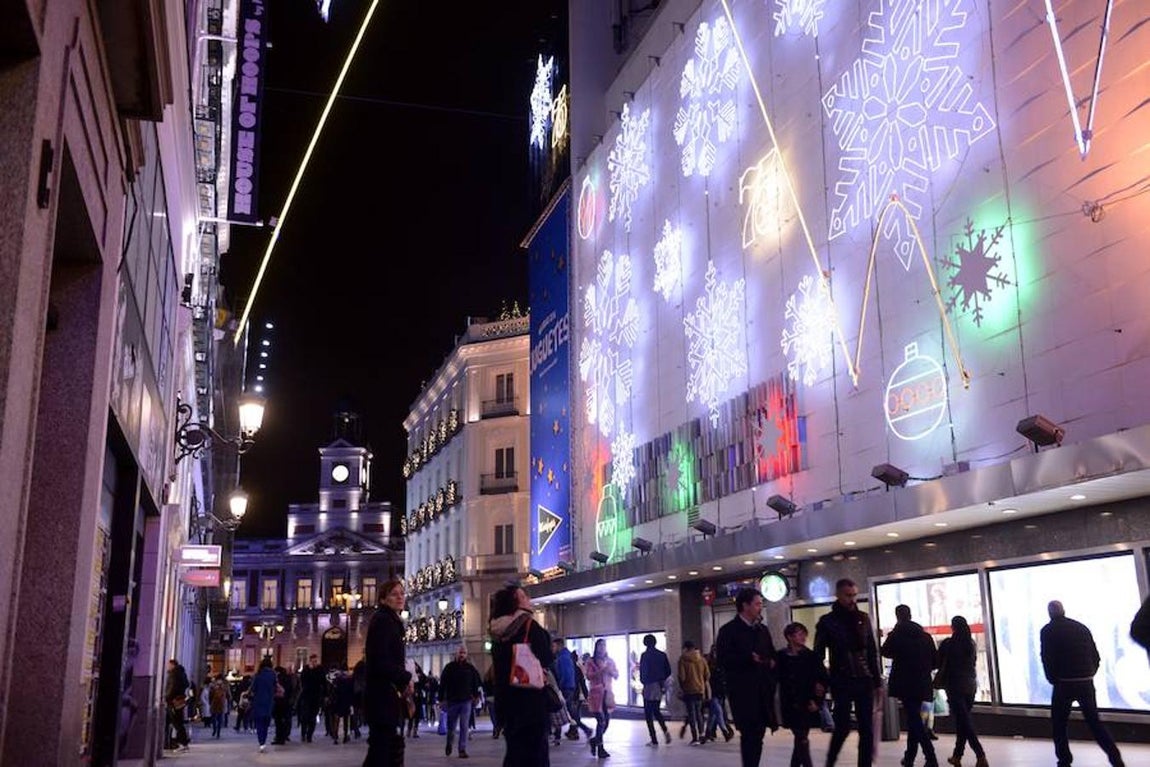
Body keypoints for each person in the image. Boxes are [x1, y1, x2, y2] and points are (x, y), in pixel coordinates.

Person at [1040, 600, 1125, 767]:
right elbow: (1095, 655)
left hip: (1063, 684)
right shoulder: (1081, 627)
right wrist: (1090, 673)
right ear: (1064, 610)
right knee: (1094, 723)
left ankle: (1064, 760)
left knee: (1059, 724)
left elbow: (1047, 657)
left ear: (1050, 613)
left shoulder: (1048, 630)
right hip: (1085, 682)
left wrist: (1052, 678)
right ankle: (1115, 757)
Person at [814, 578, 881, 767]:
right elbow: (818, 654)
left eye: (854, 595)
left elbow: (872, 652)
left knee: (866, 729)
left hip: (864, 679)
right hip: (841, 680)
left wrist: (876, 682)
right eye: (848, 595)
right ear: (838, 595)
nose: (852, 599)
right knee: (842, 727)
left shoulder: (863, 619)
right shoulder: (827, 622)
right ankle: (830, 761)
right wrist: (821, 680)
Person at [489, 583, 554, 767]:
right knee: (536, 754)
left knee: (514, 752)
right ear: (516, 603)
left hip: (507, 702)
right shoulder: (529, 626)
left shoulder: (496, 631)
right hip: (530, 701)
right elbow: (547, 657)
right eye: (524, 597)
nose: (529, 600)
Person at [716, 587, 778, 767]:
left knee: (758, 734)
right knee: (749, 734)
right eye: (757, 604)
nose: (760, 607)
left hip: (762, 690)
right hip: (743, 692)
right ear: (745, 606)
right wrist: (747, 658)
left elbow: (772, 654)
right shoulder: (728, 631)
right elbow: (723, 659)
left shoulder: (762, 630)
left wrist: (771, 663)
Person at [881, 605, 939, 767]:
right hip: (923, 683)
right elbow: (935, 662)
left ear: (897, 616)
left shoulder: (897, 635)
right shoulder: (925, 637)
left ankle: (931, 757)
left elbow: (885, 651)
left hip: (905, 684)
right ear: (911, 615)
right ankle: (909, 758)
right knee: (915, 720)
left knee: (914, 720)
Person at [363, 579, 413, 766]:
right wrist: (405, 678)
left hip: (385, 695)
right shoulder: (384, 621)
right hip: (381, 696)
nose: (400, 597)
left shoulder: (389, 621)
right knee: (380, 750)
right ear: (383, 599)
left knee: (380, 749)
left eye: (402, 593)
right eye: (394, 594)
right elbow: (380, 661)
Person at [935, 616, 988, 767]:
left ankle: (980, 755)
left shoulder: (948, 644)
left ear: (953, 627)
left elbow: (938, 662)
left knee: (964, 722)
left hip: (954, 686)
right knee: (962, 721)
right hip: (970, 686)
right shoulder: (970, 643)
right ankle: (957, 756)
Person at [777, 622, 829, 767]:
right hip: (789, 703)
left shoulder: (811, 656)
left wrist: (817, 700)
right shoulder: (781, 656)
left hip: (807, 702)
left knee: (801, 738)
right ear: (789, 637)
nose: (803, 637)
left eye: (803, 634)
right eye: (799, 634)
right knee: (801, 737)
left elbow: (822, 679)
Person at [440, 645, 482, 758]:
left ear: (466, 654)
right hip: (452, 701)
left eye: (464, 653)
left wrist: (476, 696)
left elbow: (476, 682)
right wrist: (441, 700)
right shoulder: (449, 668)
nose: (462, 655)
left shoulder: (470, 668)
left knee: (464, 726)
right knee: (451, 727)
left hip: (466, 702)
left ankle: (462, 749)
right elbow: (442, 684)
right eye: (460, 652)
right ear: (456, 653)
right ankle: (449, 743)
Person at [585, 638, 619, 759]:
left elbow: (616, 675)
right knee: (601, 721)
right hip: (596, 695)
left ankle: (594, 741)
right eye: (600, 645)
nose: (602, 648)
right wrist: (601, 671)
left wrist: (612, 672)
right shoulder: (591, 661)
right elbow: (588, 676)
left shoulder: (610, 661)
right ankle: (600, 748)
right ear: (596, 647)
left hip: (607, 695)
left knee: (606, 722)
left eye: (604, 645)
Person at [638, 634, 673, 746]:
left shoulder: (645, 655)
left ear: (645, 643)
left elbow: (643, 671)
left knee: (648, 714)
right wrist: (661, 680)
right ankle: (665, 730)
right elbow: (668, 670)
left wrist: (644, 682)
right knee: (657, 711)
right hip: (659, 685)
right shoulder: (662, 655)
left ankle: (654, 739)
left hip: (649, 685)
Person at [678, 640, 710, 745]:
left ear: (686, 648)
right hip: (700, 690)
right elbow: (707, 675)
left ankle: (694, 737)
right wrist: (701, 682)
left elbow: (682, 677)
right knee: (699, 713)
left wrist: (683, 686)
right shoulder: (702, 659)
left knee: (692, 715)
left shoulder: (683, 659)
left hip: (689, 690)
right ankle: (701, 734)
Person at [704, 645, 735, 743]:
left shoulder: (722, 662)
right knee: (718, 711)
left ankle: (708, 733)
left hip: (721, 690)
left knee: (713, 713)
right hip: (712, 690)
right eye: (713, 651)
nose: (715, 653)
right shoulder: (708, 662)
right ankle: (724, 731)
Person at [250, 657, 277, 752]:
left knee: (259, 723)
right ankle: (263, 741)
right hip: (269, 702)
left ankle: (261, 742)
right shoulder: (273, 675)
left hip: (258, 702)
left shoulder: (258, 675)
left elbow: (253, 688)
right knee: (266, 723)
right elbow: (275, 688)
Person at [164, 658, 191, 752]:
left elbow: (172, 688)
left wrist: (166, 697)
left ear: (172, 665)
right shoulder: (182, 673)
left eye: (169, 665)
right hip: (179, 701)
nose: (167, 667)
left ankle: (182, 744)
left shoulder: (173, 674)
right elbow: (187, 684)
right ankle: (181, 743)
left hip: (173, 702)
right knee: (178, 722)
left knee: (176, 723)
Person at [298, 654, 325, 743]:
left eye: (315, 661)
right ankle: (303, 734)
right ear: (310, 661)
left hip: (316, 696)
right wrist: (310, 670)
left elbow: (322, 681)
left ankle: (309, 735)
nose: (314, 663)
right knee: (305, 716)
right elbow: (303, 680)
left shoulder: (320, 670)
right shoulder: (306, 669)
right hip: (306, 696)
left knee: (313, 717)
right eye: (313, 661)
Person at [209, 674, 229, 739]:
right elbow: (228, 694)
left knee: (214, 717)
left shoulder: (213, 685)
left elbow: (210, 694)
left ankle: (214, 729)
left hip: (214, 703)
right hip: (222, 703)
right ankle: (218, 733)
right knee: (220, 719)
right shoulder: (225, 685)